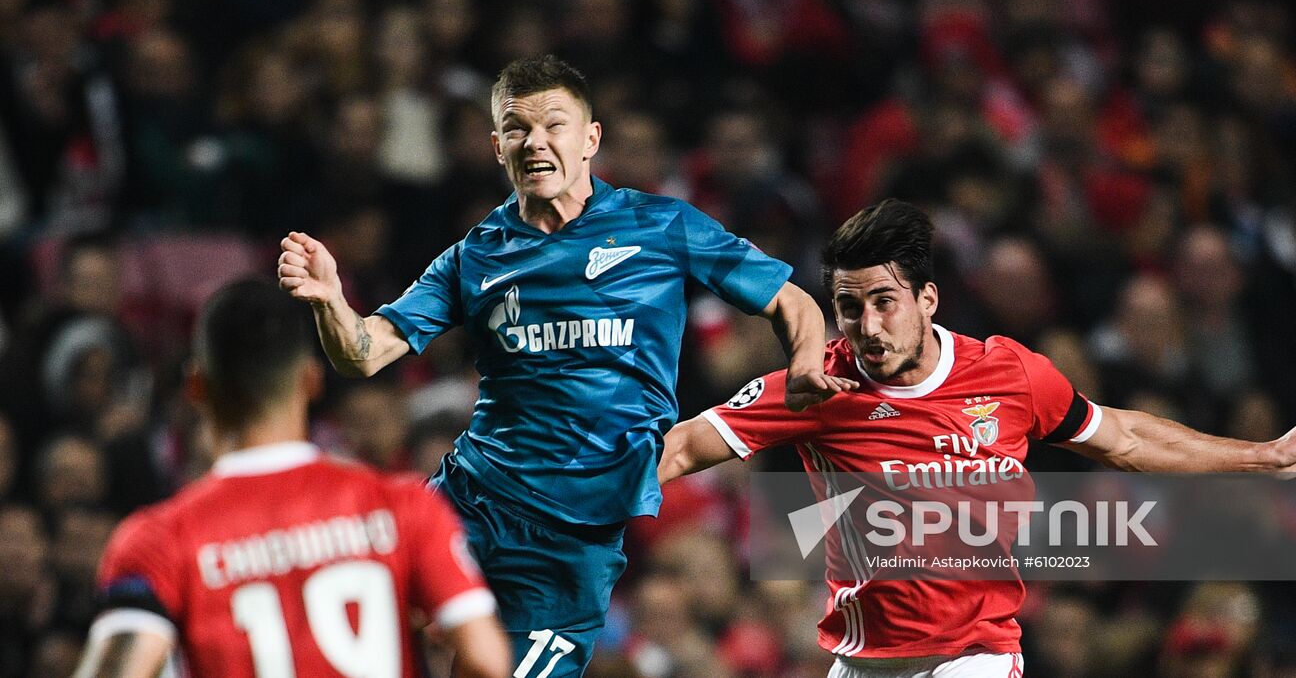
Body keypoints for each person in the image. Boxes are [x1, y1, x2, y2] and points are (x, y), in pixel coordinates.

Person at [277, 54, 851, 677]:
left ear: (591, 138)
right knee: (342, 632)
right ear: (498, 147)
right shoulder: (476, 255)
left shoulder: (661, 226)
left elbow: (791, 301)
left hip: (571, 537)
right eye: (517, 128)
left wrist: (801, 366)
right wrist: (331, 302)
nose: (536, 141)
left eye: (554, 124)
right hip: (469, 498)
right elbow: (364, 353)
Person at [659, 199, 1296, 678]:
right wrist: (560, 498)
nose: (867, 327)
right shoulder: (817, 386)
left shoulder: (1011, 374)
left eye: (883, 302)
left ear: (926, 300)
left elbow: (1122, 438)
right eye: (848, 307)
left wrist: (1262, 456)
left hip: (975, 656)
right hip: (862, 658)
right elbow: (685, 448)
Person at [73, 280, 510, 678]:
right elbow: (486, 657)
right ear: (311, 380)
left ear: (196, 387)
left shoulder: (159, 541)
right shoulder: (404, 507)